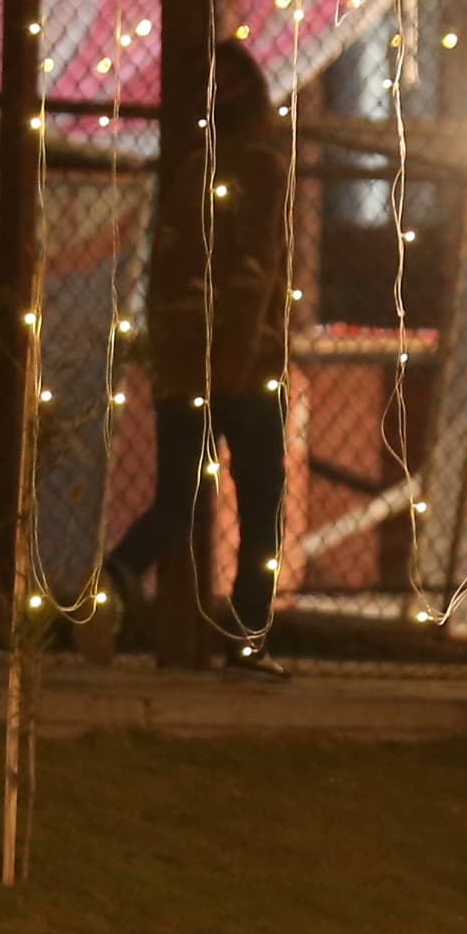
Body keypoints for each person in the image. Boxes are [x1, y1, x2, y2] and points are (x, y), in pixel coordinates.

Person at [100, 37, 292, 678]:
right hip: (243, 362)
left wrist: (166, 352)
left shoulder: (185, 169)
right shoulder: (260, 167)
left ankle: (119, 573)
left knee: (180, 497)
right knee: (261, 498)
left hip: (184, 356)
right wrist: (234, 358)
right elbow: (254, 268)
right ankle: (246, 637)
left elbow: (168, 273)